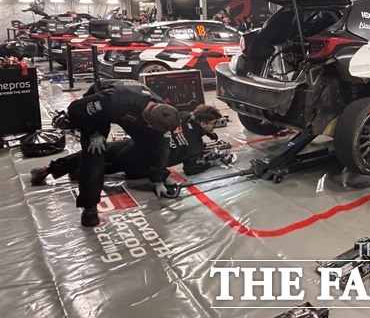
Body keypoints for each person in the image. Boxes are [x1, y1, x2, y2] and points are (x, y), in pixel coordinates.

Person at [66, 79, 180, 227]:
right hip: (100, 108)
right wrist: (93, 133)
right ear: (149, 123)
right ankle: (89, 208)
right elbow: (74, 109)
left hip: (132, 111)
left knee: (152, 141)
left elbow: (159, 146)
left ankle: (76, 171)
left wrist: (159, 179)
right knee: (95, 152)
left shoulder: (161, 110)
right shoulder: (113, 99)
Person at [30, 105, 225, 186]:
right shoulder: (196, 146)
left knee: (94, 152)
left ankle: (47, 169)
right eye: (213, 123)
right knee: (108, 168)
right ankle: (81, 172)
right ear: (203, 123)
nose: (215, 126)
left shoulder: (180, 116)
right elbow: (190, 170)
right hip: (140, 165)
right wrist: (212, 163)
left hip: (132, 145)